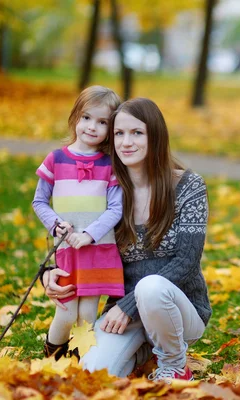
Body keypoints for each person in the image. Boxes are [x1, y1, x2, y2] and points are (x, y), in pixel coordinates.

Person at [42, 97, 211, 383]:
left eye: (137, 133)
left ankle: (173, 364)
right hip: (123, 315)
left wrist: (128, 305)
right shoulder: (108, 191)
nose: (126, 142)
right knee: (92, 375)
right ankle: (143, 350)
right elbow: (70, 226)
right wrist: (50, 271)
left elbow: (186, 262)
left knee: (151, 286)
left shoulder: (188, 186)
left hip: (179, 310)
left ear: (155, 135)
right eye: (119, 133)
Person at [33, 85, 125, 360]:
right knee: (66, 311)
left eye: (102, 122)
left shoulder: (109, 165)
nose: (92, 127)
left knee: (86, 315)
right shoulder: (56, 159)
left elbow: (116, 208)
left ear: (110, 129)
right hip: (67, 249)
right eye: (87, 118)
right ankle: (52, 354)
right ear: (75, 117)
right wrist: (56, 224)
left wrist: (90, 234)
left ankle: (81, 359)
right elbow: (39, 201)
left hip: (97, 249)